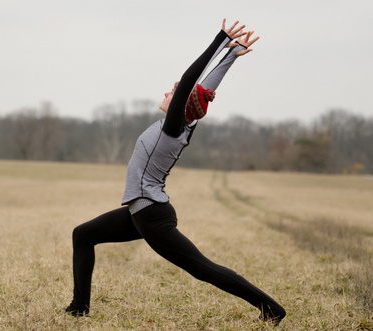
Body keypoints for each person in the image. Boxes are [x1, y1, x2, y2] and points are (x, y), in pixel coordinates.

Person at [65, 19, 286, 325]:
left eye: (174, 92)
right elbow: (203, 92)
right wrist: (231, 56)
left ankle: (271, 308)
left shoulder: (173, 128)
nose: (170, 91)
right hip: (140, 213)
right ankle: (79, 308)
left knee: (202, 268)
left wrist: (221, 39)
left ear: (181, 106)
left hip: (152, 216)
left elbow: (189, 81)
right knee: (83, 235)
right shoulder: (184, 124)